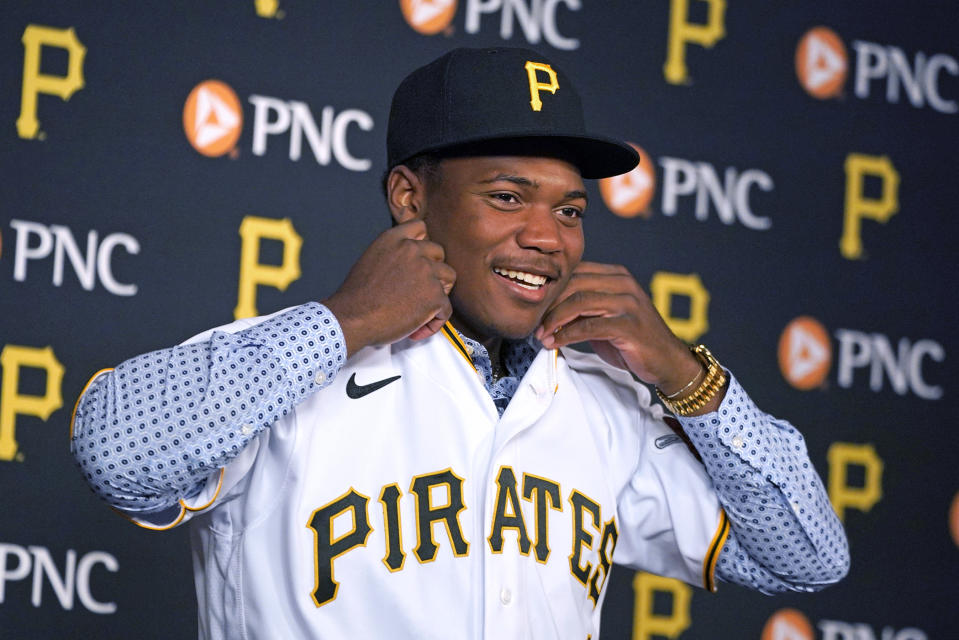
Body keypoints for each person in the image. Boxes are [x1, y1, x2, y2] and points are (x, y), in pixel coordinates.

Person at [71, 47, 848, 639]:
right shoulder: (283, 366)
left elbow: (807, 559)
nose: (546, 237)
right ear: (410, 198)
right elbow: (115, 450)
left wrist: (684, 377)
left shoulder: (603, 400)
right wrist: (345, 322)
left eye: (570, 211)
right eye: (507, 197)